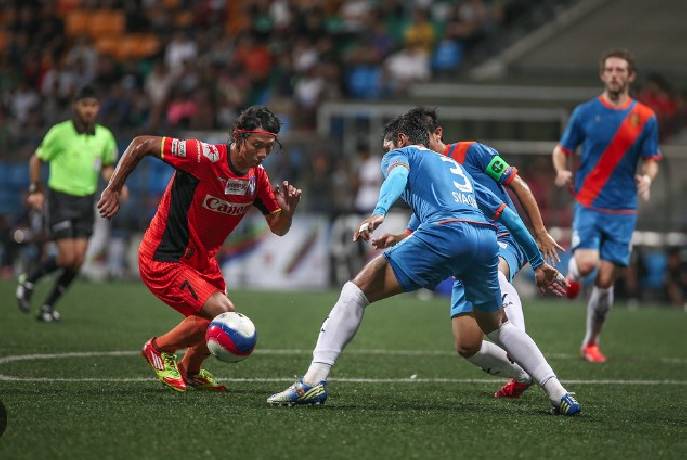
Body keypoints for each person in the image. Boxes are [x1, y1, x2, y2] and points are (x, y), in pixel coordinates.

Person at [268, 115, 580, 415]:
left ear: (401, 139)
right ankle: (558, 392)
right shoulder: (454, 167)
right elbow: (508, 216)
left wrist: (379, 211)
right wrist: (538, 263)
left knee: (358, 289)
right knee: (496, 326)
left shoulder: (402, 155)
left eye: (388, 146)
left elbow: (398, 175)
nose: (386, 153)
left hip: (445, 233)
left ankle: (313, 381)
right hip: (483, 240)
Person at [97, 106, 302, 392]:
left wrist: (288, 212)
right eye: (257, 146)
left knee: (219, 320)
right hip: (165, 256)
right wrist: (114, 187)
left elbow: (278, 228)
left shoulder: (257, 179)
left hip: (202, 263)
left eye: (269, 147)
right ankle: (158, 349)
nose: (262, 154)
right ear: (238, 136)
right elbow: (141, 143)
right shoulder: (201, 156)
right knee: (224, 314)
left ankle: (190, 370)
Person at [370, 107, 562, 400]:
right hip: (466, 245)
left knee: (493, 273)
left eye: (423, 140)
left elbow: (516, 184)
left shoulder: (472, 152)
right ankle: (523, 372)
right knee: (467, 344)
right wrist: (396, 238)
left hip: (503, 236)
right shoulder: (430, 171)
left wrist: (539, 232)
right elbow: (420, 223)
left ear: (437, 134)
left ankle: (526, 355)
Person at [552, 49, 661, 363]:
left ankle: (591, 342)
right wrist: (561, 169)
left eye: (621, 70)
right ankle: (572, 274)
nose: (615, 74)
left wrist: (648, 178)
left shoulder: (646, 117)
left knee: (605, 279)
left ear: (630, 76)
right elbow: (562, 149)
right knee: (586, 265)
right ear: (602, 75)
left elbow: (652, 158)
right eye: (610, 69)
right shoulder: (585, 113)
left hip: (624, 209)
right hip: (589, 202)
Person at [16, 85, 122, 322]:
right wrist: (36, 188)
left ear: (98, 108)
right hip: (61, 198)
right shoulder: (60, 132)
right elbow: (37, 158)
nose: (89, 110)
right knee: (66, 257)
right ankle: (29, 279)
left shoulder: (104, 136)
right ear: (76, 106)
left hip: (86, 201)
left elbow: (106, 166)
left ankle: (47, 308)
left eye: (93, 105)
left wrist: (116, 185)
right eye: (85, 105)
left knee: (78, 260)